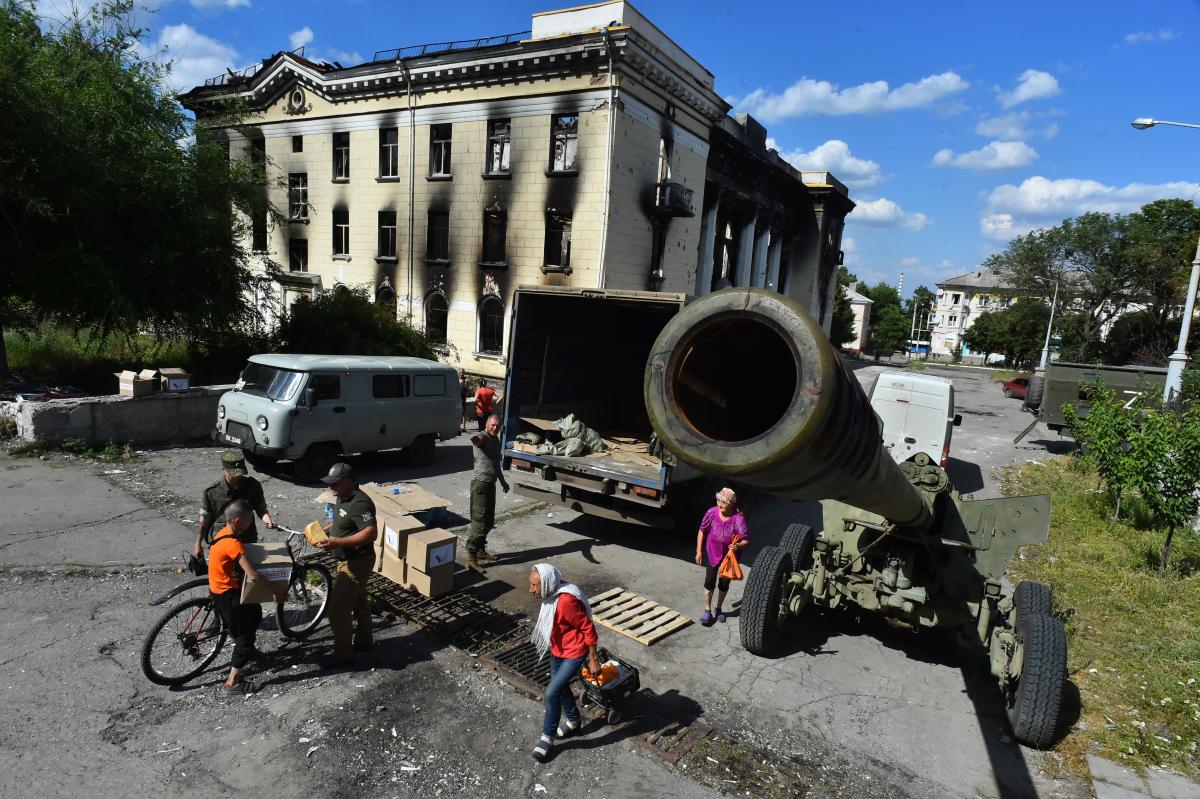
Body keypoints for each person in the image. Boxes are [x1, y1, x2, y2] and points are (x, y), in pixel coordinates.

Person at [208, 500, 282, 693]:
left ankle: (247, 651)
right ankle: (233, 681)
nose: (251, 524)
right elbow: (254, 575)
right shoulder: (233, 545)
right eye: (249, 520)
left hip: (216, 590)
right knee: (245, 635)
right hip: (228, 595)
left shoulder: (222, 535)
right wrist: (275, 589)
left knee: (255, 612)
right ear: (238, 520)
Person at [529, 563, 600, 762]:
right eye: (531, 584)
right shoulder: (550, 594)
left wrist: (593, 658)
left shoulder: (565, 602)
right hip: (558, 648)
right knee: (559, 689)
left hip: (574, 652)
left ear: (548, 584)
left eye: (535, 586)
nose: (531, 589)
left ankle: (547, 737)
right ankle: (574, 720)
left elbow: (588, 629)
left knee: (551, 691)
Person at [315, 462, 378, 662]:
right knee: (359, 601)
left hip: (357, 562)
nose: (330, 487)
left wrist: (338, 541)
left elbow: (371, 532)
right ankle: (365, 641)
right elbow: (345, 520)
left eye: (335, 483)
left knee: (337, 610)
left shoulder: (360, 503)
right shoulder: (343, 496)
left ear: (349, 482)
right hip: (347, 560)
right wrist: (328, 529)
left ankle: (342, 652)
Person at [194, 452, 274, 561]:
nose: (237, 477)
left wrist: (267, 519)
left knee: (246, 572)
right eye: (233, 474)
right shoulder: (212, 491)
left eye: (240, 473)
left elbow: (260, 507)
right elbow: (204, 519)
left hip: (247, 538)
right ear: (223, 469)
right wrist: (198, 544)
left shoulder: (253, 486)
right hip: (222, 540)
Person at [695, 486, 749, 626]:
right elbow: (702, 531)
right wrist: (699, 551)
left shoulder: (738, 518)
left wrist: (737, 546)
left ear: (731, 504)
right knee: (710, 581)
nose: (720, 504)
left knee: (724, 584)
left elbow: (745, 540)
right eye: (719, 501)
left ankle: (718, 609)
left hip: (729, 558)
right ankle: (707, 610)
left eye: (723, 502)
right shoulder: (711, 512)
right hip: (712, 553)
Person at [466, 413, 509, 574]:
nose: (495, 428)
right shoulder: (481, 437)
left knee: (489, 521)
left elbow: (496, 465)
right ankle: (471, 557)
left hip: (491, 485)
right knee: (479, 522)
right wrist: (477, 439)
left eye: (497, 426)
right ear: (486, 424)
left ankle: (480, 550)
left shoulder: (496, 440)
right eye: (492, 425)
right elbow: (476, 440)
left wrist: (503, 482)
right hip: (480, 485)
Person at [457, 368, 471, 433]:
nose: (461, 374)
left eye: (463, 372)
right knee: (457, 412)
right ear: (458, 373)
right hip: (456, 398)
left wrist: (465, 383)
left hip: (462, 398)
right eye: (460, 372)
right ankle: (458, 426)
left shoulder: (466, 380)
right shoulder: (455, 379)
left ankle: (464, 427)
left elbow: (466, 389)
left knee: (463, 413)